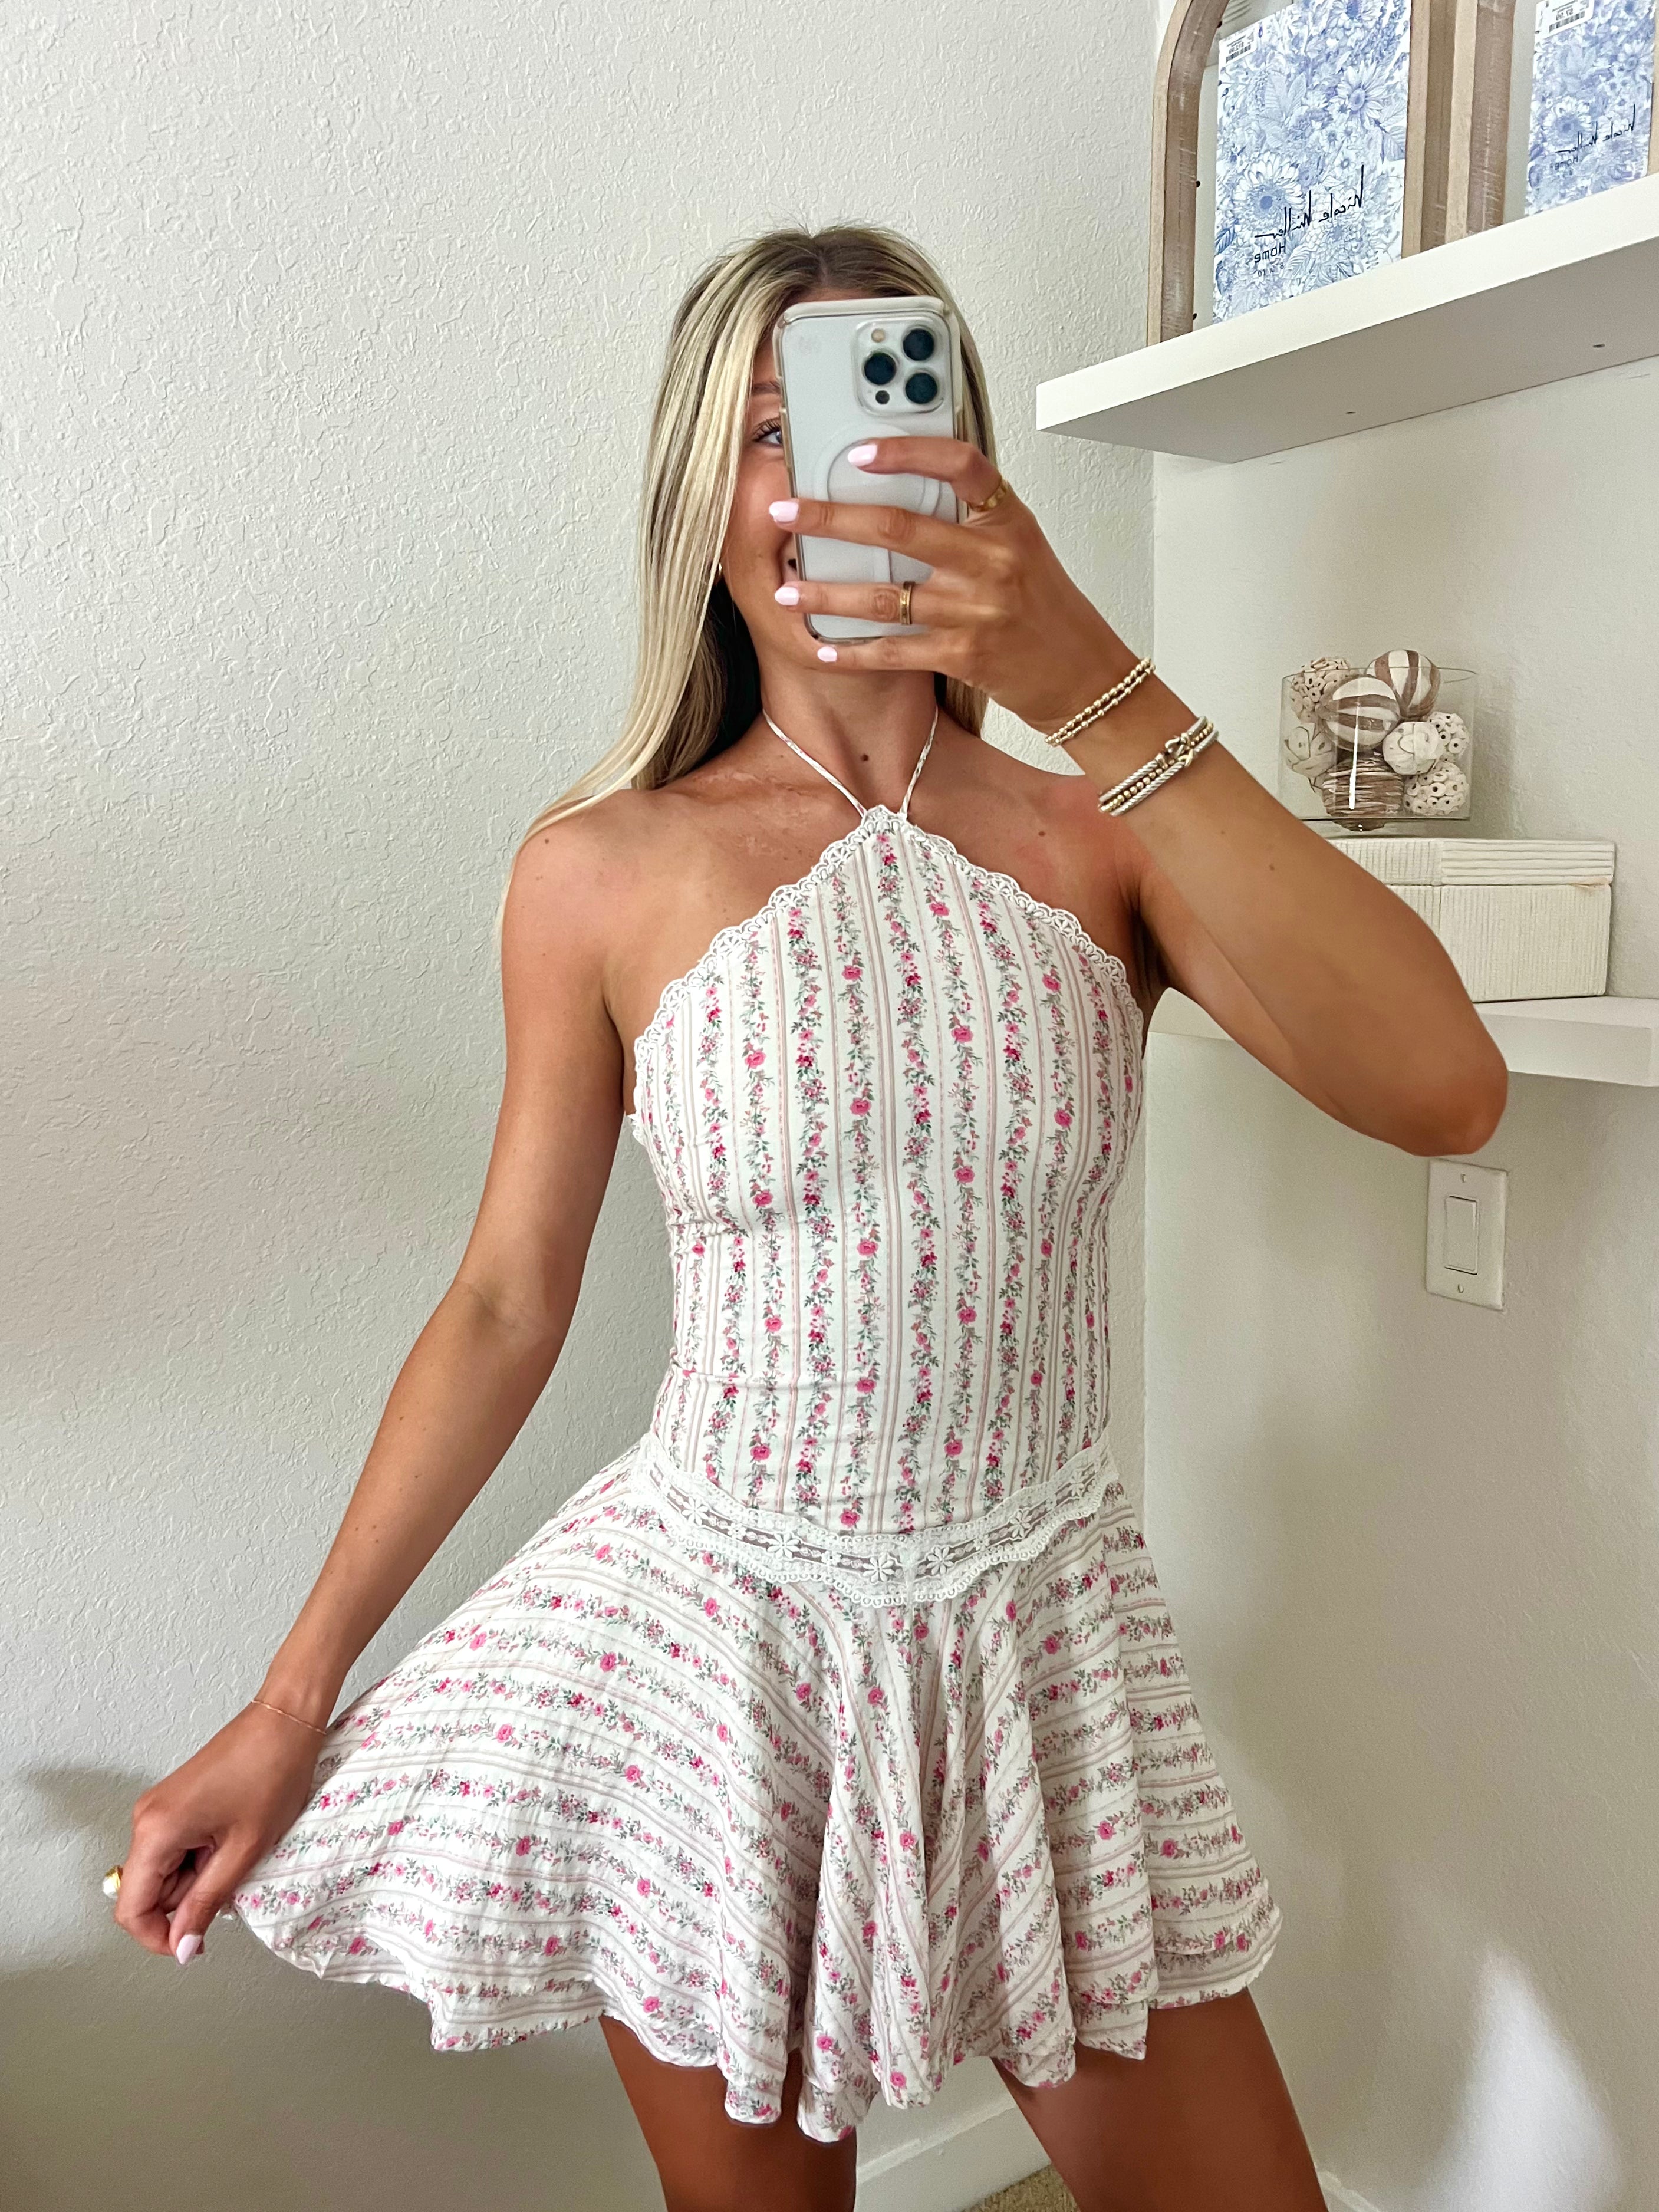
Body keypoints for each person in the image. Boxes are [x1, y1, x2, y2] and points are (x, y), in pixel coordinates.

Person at [108, 223, 1506, 2212]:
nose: (826, 476)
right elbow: (509, 1298)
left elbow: (1442, 1088)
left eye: (877, 415)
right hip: (719, 1661)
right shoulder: (603, 870)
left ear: (973, 471)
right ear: (703, 490)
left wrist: (1090, 675)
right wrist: (289, 1695)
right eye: (770, 429)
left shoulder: (1098, 834)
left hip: (1046, 1648)